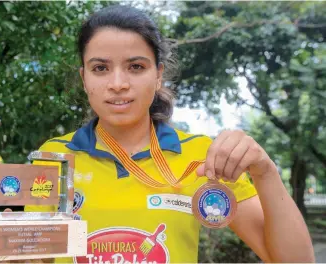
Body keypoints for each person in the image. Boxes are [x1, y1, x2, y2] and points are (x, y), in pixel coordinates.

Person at [26, 4, 315, 263]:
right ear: (84, 77)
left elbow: (294, 260)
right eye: (100, 68)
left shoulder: (204, 159)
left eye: (135, 67)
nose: (117, 84)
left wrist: (265, 172)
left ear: (158, 74)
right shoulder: (53, 158)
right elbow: (32, 255)